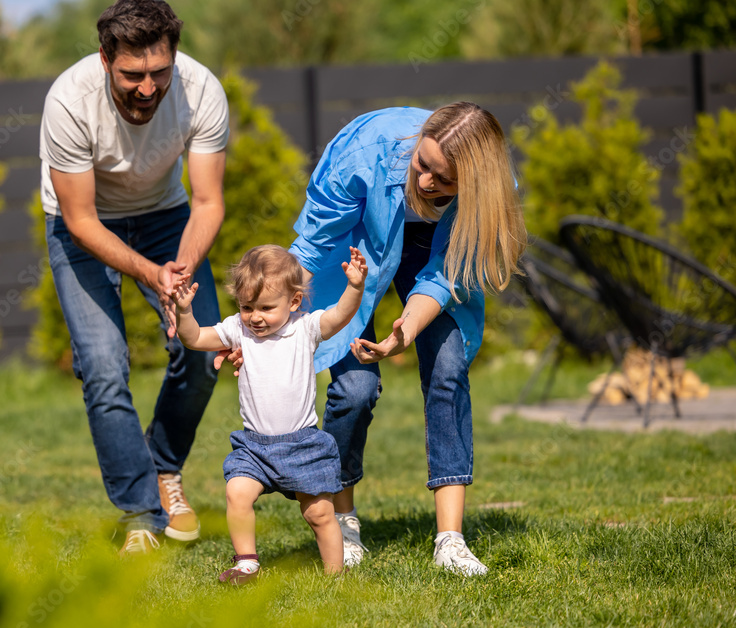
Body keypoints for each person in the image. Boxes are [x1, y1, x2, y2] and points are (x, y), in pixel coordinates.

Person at [286, 102, 527, 575]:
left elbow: (446, 273)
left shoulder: (492, 195)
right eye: (423, 165)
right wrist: (263, 319)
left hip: (436, 255)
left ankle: (451, 541)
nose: (425, 184)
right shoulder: (365, 151)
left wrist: (406, 330)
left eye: (443, 180)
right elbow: (312, 245)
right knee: (355, 389)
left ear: (473, 185)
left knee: (448, 369)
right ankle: (341, 518)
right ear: (418, 142)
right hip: (356, 243)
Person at [38, 0, 229, 555]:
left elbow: (209, 201)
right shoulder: (69, 101)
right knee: (102, 366)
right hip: (85, 225)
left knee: (204, 350)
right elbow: (79, 220)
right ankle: (140, 514)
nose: (148, 89)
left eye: (159, 73)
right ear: (105, 60)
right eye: (133, 75)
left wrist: (181, 272)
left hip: (167, 217)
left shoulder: (201, 89)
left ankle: (163, 467)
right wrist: (150, 272)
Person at [170, 245, 368, 583]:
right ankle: (246, 562)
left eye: (265, 307)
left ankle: (336, 577)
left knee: (320, 512)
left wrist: (355, 287)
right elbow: (194, 339)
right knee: (237, 493)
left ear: (293, 302)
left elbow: (339, 316)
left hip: (303, 445)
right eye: (247, 307)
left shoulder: (305, 328)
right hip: (254, 447)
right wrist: (184, 312)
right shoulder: (238, 330)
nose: (255, 317)